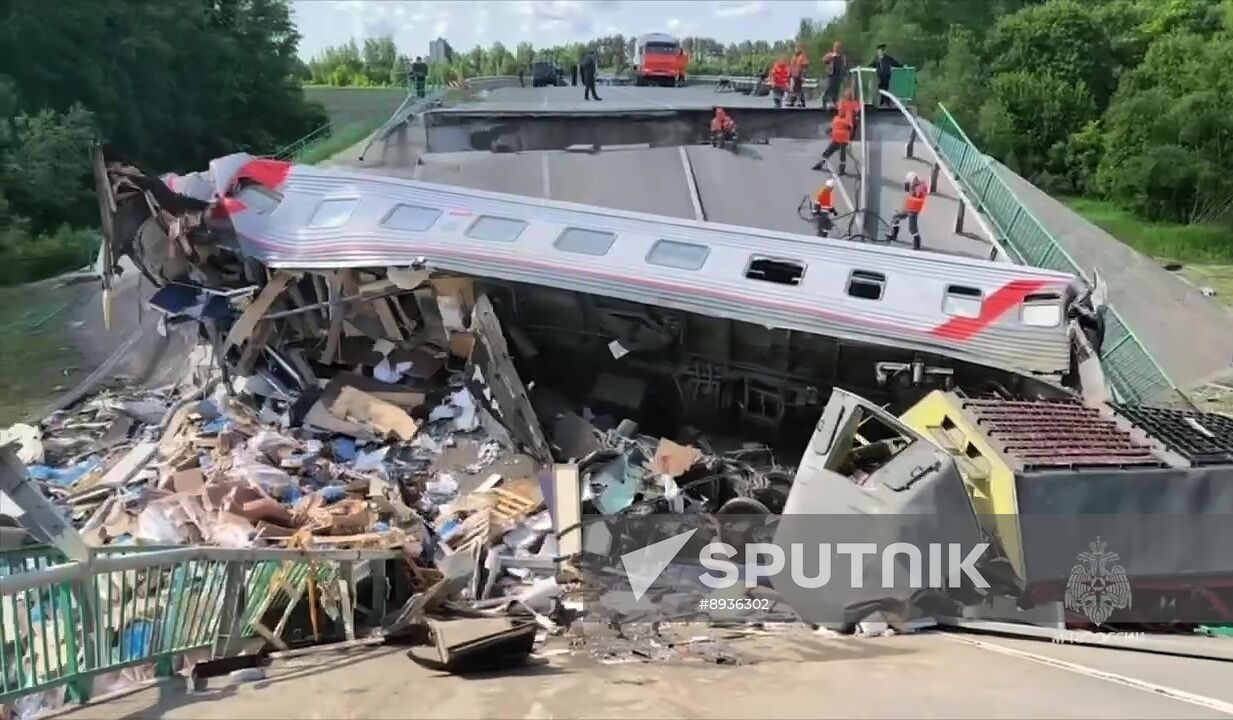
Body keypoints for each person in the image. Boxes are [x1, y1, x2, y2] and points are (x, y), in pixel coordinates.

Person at [886, 172, 928, 249]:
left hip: (914, 210)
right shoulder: (913, 186)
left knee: (912, 228)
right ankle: (894, 235)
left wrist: (912, 187)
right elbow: (907, 191)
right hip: (908, 208)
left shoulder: (921, 186)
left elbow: (917, 193)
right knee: (895, 217)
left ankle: (917, 243)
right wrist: (907, 185)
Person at [811, 110, 853, 175]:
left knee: (831, 152)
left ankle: (840, 170)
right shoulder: (837, 119)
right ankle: (840, 169)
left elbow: (849, 129)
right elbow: (834, 127)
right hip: (839, 140)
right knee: (837, 154)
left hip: (841, 140)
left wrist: (828, 131)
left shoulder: (841, 119)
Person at [821, 42, 847, 109]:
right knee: (829, 88)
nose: (837, 49)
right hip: (831, 74)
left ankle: (835, 102)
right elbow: (824, 60)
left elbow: (844, 66)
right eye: (836, 47)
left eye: (839, 47)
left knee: (836, 89)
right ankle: (824, 101)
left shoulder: (842, 57)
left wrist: (844, 73)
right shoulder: (830, 55)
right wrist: (831, 57)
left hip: (839, 75)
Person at [789, 43, 810, 108]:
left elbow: (805, 66)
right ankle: (795, 101)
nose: (797, 49)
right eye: (796, 48)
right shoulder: (794, 56)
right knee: (793, 88)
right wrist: (789, 74)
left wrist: (803, 75)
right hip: (793, 74)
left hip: (799, 74)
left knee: (797, 89)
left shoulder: (802, 56)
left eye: (798, 48)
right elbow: (791, 66)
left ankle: (798, 102)